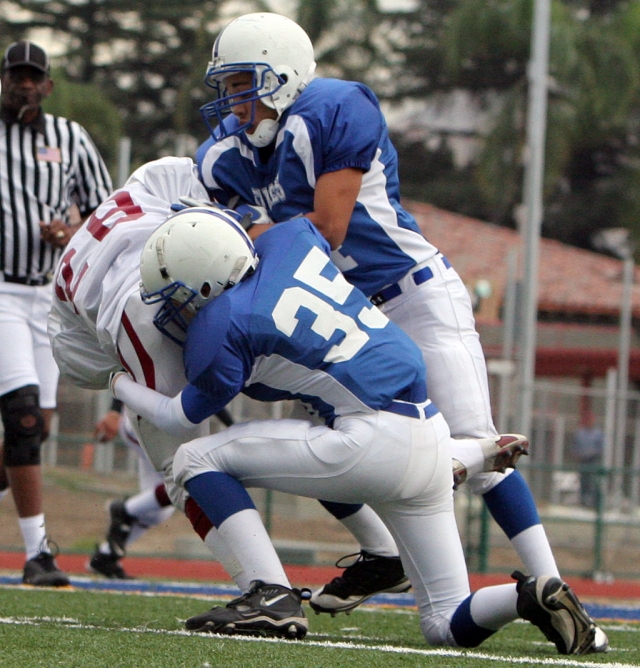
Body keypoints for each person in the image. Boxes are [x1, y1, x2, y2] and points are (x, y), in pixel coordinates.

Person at [194, 14, 606, 653]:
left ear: (285, 72)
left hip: (409, 294)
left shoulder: (333, 108)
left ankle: (553, 582)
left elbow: (326, 231)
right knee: (339, 435)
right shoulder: (224, 153)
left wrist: (249, 233)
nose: (233, 102)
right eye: (228, 86)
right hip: (343, 314)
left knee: (480, 453)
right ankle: (383, 555)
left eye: (244, 83)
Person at [111, 206, 598, 654]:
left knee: (195, 459)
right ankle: (529, 595)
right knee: (444, 623)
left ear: (205, 284)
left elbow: (179, 417)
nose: (174, 309)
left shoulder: (225, 322)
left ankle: (270, 595)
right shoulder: (291, 241)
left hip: (369, 442)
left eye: (177, 296)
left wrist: (119, 384)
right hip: (427, 431)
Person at [48, 156, 249, 586]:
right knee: (191, 472)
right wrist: (118, 396)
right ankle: (262, 580)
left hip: (121, 360)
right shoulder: (143, 301)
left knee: (164, 499)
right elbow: (150, 377)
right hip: (144, 395)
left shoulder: (157, 185)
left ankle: (107, 549)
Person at [0, 40, 113, 586]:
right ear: (3, 80)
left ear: (47, 85)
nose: (24, 83)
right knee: (22, 415)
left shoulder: (70, 138)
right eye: (15, 74)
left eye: (33, 76)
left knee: (35, 429)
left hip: (46, 295)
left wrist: (71, 233)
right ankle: (36, 553)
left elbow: (108, 211)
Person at [88, 399, 234, 579]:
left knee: (157, 512)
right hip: (145, 423)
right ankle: (122, 510)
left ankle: (104, 556)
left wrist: (232, 426)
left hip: (159, 424)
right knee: (182, 479)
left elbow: (212, 388)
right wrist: (114, 410)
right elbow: (124, 372)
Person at [572, 410, 604, 509]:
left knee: (593, 482)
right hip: (583, 461)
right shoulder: (580, 433)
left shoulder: (598, 434)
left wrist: (592, 453)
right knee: (583, 481)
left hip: (593, 461)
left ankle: (594, 504)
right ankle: (583, 502)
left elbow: (601, 448)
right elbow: (575, 447)